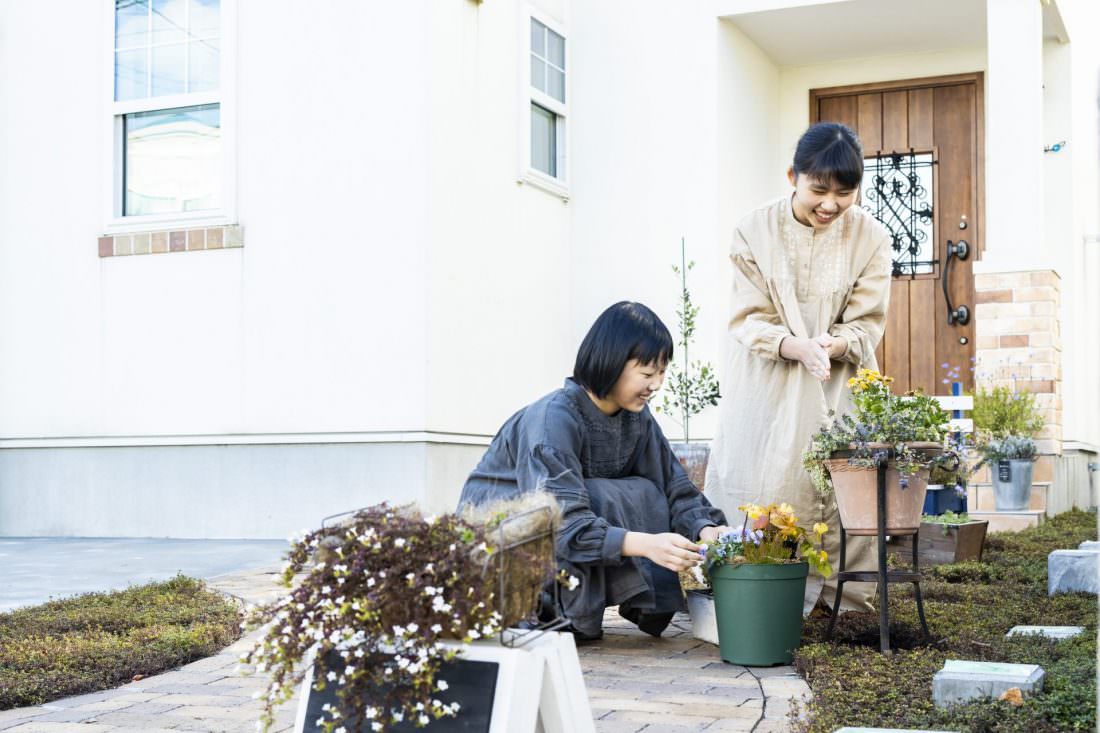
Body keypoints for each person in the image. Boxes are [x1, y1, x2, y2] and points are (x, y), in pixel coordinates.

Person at [705, 122, 892, 615]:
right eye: (818, 190)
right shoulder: (752, 230)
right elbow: (747, 317)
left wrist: (834, 344)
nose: (830, 204)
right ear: (793, 176)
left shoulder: (871, 237)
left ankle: (843, 603)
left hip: (840, 379)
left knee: (843, 482)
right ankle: (755, 594)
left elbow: (869, 320)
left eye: (844, 193)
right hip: (768, 377)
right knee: (765, 478)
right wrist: (792, 345)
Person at [458, 301, 731, 640]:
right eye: (647, 374)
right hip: (506, 545)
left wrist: (706, 528)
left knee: (644, 490)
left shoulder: (637, 418)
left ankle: (583, 608)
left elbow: (673, 485)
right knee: (596, 496)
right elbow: (561, 520)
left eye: (662, 372)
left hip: (558, 530)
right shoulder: (553, 419)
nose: (657, 384)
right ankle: (552, 609)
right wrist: (647, 544)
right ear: (611, 363)